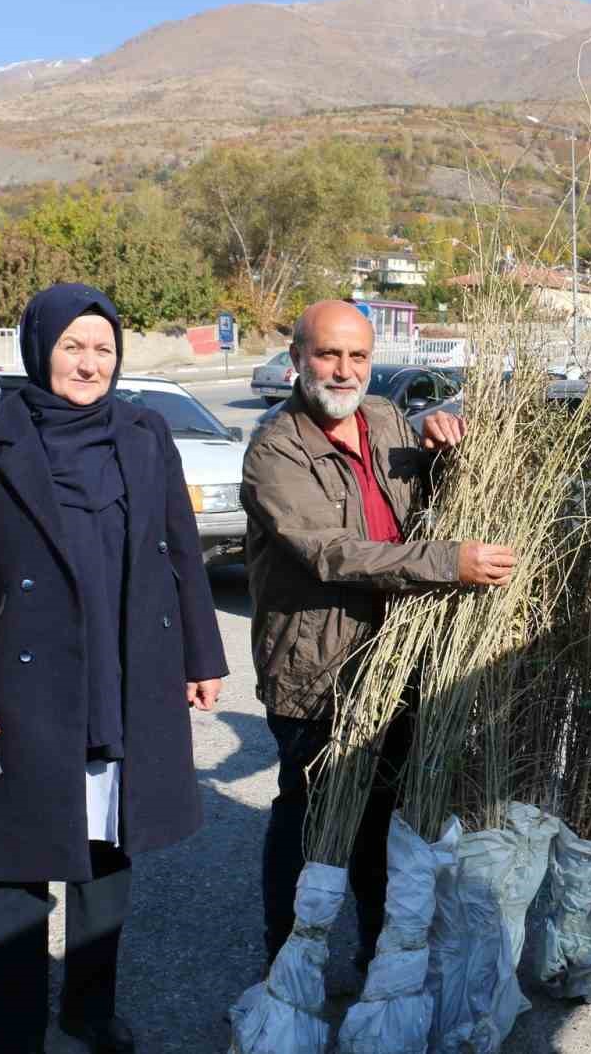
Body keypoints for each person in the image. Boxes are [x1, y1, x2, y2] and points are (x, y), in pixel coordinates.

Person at [0, 284, 227, 1054]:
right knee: (16, 867)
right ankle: (8, 1032)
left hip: (127, 666)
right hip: (24, 682)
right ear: (38, 349)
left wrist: (203, 654)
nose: (88, 362)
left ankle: (88, 1008)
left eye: (102, 348)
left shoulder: (144, 434)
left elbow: (180, 548)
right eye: (72, 345)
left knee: (108, 852)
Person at [241, 299, 515, 970]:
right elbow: (333, 553)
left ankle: (375, 954)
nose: (343, 370)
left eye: (357, 356)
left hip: (395, 661)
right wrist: (448, 563)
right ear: (297, 358)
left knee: (380, 816)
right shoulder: (275, 449)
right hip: (315, 666)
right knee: (308, 812)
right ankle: (285, 957)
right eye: (328, 354)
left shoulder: (387, 420)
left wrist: (446, 456)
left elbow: (420, 512)